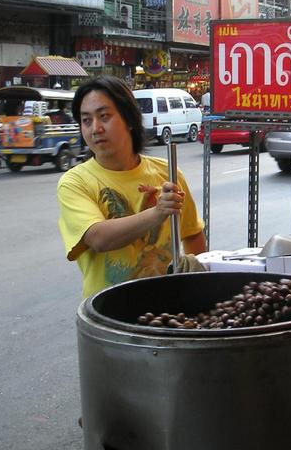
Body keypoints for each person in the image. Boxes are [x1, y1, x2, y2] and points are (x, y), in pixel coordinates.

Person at [57, 75, 206, 299]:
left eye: (104, 116)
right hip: (109, 313)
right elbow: (99, 238)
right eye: (86, 120)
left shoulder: (168, 173)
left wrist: (201, 289)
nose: (95, 128)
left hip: (169, 308)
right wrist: (157, 213)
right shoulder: (74, 182)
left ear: (128, 119)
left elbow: (193, 234)